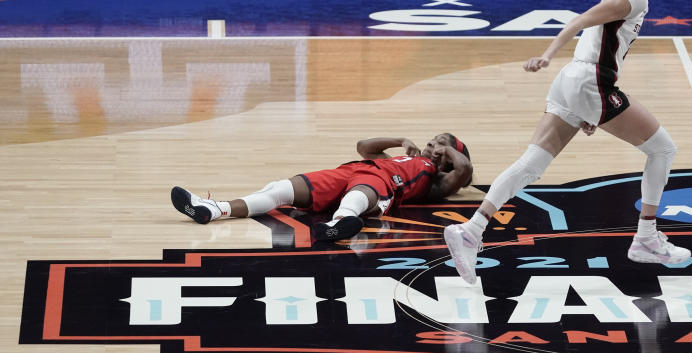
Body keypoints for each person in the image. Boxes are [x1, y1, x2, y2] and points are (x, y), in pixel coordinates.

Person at [443, 0, 691, 284]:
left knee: (531, 164)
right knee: (663, 149)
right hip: (589, 82)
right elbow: (578, 20)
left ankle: (471, 231)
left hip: (576, 83)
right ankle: (647, 238)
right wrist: (546, 56)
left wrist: (590, 109)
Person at [171, 134, 473, 241]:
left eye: (442, 145)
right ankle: (214, 209)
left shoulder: (435, 180)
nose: (434, 145)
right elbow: (363, 146)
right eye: (434, 140)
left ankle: (337, 224)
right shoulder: (402, 157)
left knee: (359, 194)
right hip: (350, 170)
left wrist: (446, 154)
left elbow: (465, 170)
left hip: (382, 185)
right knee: (279, 189)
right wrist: (399, 140)